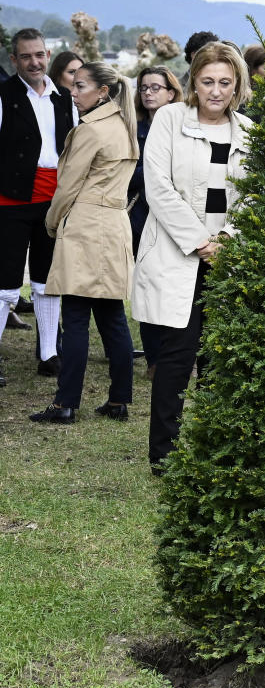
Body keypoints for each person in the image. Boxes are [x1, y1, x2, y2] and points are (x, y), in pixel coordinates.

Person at [133, 42, 252, 473]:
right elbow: (158, 188)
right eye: (207, 82)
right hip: (178, 254)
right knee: (177, 356)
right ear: (193, 82)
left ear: (237, 84)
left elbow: (253, 197)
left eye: (225, 82)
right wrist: (200, 242)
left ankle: (214, 450)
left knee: (219, 359)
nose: (216, 91)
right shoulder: (169, 119)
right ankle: (164, 454)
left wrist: (226, 240)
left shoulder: (248, 133)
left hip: (227, 259)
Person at [29, 62, 139, 424]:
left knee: (76, 317)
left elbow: (67, 186)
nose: (73, 93)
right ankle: (120, 399)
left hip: (86, 225)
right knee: (111, 317)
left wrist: (50, 222)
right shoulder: (125, 126)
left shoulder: (91, 130)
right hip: (114, 224)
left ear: (103, 91)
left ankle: (65, 404)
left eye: (80, 86)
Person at [0, 28, 77, 387]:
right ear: (14, 60)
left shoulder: (65, 98)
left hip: (53, 201)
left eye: (40, 55)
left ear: (49, 55)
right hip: (10, 201)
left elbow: (72, 150)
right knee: (6, 285)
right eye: (26, 56)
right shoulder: (3, 96)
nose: (35, 62)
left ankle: (49, 354)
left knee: (48, 280)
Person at [127, 65, 183, 380]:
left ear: (171, 92)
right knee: (148, 288)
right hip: (141, 217)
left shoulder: (184, 127)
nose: (148, 93)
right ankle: (154, 360)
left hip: (176, 219)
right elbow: (126, 174)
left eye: (155, 88)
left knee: (175, 288)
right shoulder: (133, 130)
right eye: (144, 88)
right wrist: (154, 172)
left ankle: (178, 357)